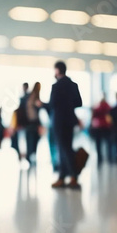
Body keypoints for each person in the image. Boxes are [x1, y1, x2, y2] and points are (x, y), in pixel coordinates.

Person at [49, 61, 82, 189]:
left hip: (59, 121)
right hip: (70, 121)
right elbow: (79, 102)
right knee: (66, 147)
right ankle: (62, 177)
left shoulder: (56, 86)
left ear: (57, 70)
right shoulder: (73, 85)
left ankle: (73, 176)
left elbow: (52, 104)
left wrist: (42, 105)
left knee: (63, 149)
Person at [25, 82, 42, 165]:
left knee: (29, 140)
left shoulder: (28, 96)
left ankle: (29, 157)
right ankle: (31, 156)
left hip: (28, 122)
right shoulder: (35, 97)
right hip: (33, 122)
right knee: (33, 140)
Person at [91, 97, 112, 165]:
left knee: (98, 144)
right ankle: (109, 158)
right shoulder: (108, 107)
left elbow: (93, 116)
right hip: (106, 127)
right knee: (108, 144)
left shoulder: (97, 107)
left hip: (98, 127)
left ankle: (100, 158)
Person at [11, 83, 29, 159]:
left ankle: (23, 156)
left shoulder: (24, 98)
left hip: (24, 123)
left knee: (23, 141)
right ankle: (25, 156)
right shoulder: (28, 97)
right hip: (26, 123)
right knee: (24, 142)